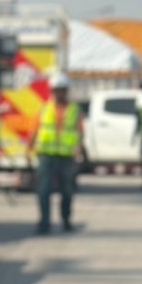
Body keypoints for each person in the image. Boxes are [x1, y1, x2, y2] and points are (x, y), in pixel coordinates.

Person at [34, 71, 83, 232]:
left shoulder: (75, 110)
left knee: (67, 191)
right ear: (52, 91)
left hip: (66, 156)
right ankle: (44, 223)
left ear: (66, 91)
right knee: (44, 190)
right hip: (46, 155)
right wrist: (30, 149)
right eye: (56, 90)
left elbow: (80, 131)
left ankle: (66, 219)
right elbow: (36, 128)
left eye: (62, 90)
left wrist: (79, 149)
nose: (59, 93)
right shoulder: (45, 109)